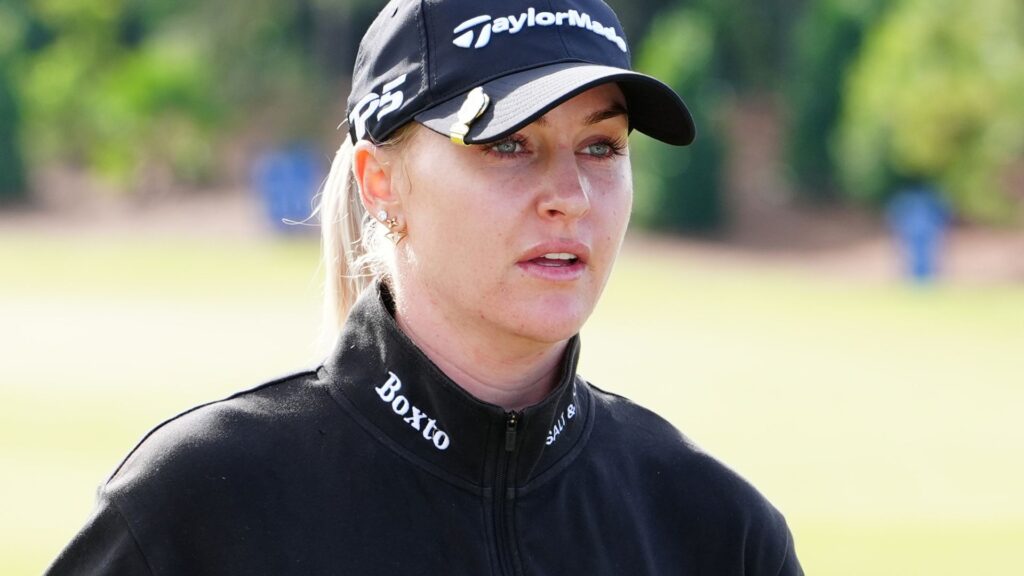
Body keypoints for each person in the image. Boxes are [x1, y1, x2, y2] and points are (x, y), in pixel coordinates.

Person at [47, 0, 803, 574]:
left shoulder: (715, 530)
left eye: (601, 145)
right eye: (510, 143)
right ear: (382, 183)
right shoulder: (196, 507)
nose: (571, 195)